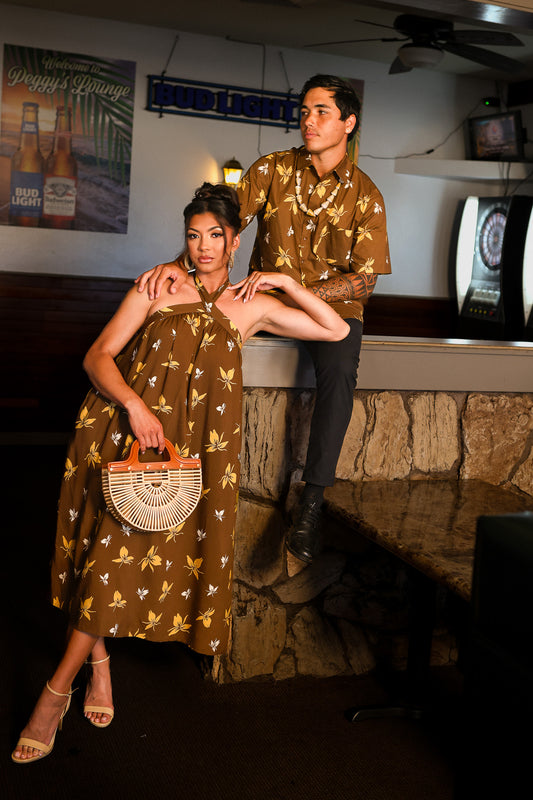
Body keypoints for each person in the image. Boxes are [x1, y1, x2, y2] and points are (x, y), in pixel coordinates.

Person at [11, 182, 348, 764]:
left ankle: (97, 663)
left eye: (215, 235)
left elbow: (336, 330)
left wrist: (286, 283)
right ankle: (56, 691)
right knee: (107, 557)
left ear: (235, 241)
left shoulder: (252, 306)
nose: (203, 247)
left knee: (132, 560)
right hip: (125, 437)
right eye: (193, 236)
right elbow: (98, 355)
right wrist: (135, 407)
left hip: (194, 457)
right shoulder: (159, 285)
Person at [136, 74, 391, 567]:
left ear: (348, 122)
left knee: (341, 371)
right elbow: (222, 226)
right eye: (304, 111)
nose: (308, 120)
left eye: (321, 112)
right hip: (262, 301)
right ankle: (168, 459)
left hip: (330, 312)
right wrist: (179, 266)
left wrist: (299, 292)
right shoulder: (272, 169)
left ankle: (312, 501)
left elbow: (365, 282)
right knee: (198, 334)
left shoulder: (367, 196)